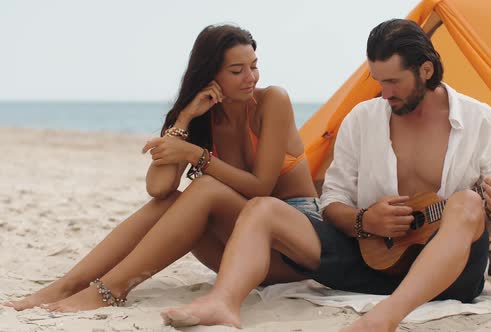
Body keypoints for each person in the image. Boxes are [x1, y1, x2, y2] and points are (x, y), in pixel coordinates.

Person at [159, 18, 491, 331]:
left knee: (468, 202)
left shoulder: (478, 119)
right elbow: (331, 203)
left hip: (450, 277)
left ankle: (383, 320)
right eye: (378, 81)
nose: (384, 92)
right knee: (262, 207)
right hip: (370, 262)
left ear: (425, 70)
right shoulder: (362, 119)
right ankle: (223, 303)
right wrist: (365, 221)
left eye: (393, 82)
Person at [2, 24, 318, 313]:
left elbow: (262, 187)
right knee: (170, 201)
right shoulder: (202, 116)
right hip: (241, 253)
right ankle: (67, 285)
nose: (251, 78)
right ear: (210, 75)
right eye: (237, 70)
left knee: (205, 186)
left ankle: (109, 290)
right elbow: (159, 189)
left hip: (290, 243)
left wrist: (197, 155)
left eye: (254, 66)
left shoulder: (272, 101)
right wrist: (183, 121)